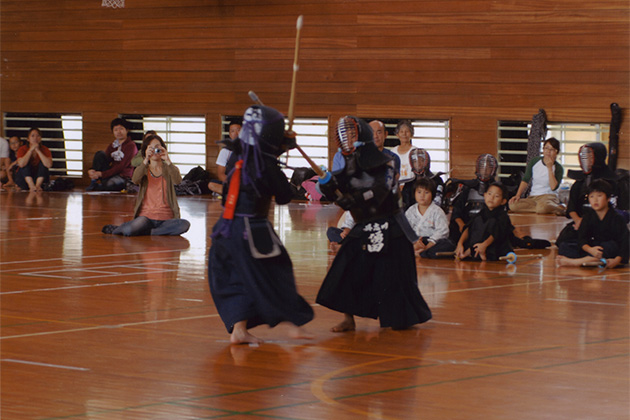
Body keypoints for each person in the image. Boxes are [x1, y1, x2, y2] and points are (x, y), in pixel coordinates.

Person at [207, 105, 314, 344]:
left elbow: (228, 194)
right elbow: (285, 196)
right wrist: (282, 151)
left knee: (237, 276)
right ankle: (293, 324)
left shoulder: (237, 155)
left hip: (224, 229)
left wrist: (277, 150)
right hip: (253, 231)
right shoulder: (267, 164)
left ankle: (239, 330)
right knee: (277, 272)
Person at [317, 116, 432, 332]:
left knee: (391, 276)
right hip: (363, 225)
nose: (349, 140)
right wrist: (326, 184)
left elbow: (380, 191)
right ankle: (348, 319)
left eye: (353, 135)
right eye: (345, 136)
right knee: (345, 269)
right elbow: (337, 189)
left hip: (389, 227)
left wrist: (355, 199)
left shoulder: (386, 163)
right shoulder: (348, 165)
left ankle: (399, 317)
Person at [101, 134, 190, 236]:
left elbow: (178, 181)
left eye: (158, 147)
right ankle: (118, 229)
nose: (155, 150)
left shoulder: (169, 168)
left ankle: (150, 232)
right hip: (145, 218)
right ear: (145, 150)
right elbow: (135, 179)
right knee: (128, 231)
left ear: (163, 149)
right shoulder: (143, 168)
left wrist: (168, 160)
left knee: (184, 225)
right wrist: (145, 160)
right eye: (151, 148)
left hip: (167, 218)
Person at [556, 142, 618, 250]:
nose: (587, 160)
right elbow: (572, 208)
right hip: (582, 222)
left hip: (605, 224)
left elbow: (615, 209)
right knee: (564, 242)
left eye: (590, 156)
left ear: (598, 157)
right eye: (585, 157)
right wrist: (579, 221)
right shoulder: (579, 183)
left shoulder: (611, 182)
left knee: (610, 246)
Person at [556, 179, 628, 268]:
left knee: (611, 246)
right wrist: (590, 249)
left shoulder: (617, 218)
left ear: (608, 198)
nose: (595, 200)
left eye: (599, 196)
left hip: (608, 249)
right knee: (564, 246)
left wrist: (617, 260)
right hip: (593, 248)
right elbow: (582, 238)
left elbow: (625, 241)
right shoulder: (588, 216)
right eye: (592, 196)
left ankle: (577, 262)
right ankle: (596, 261)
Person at [455, 182, 514, 261]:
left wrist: (484, 245)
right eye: (489, 194)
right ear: (484, 195)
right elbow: (468, 228)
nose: (491, 198)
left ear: (503, 201)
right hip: (478, 245)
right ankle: (473, 250)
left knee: (492, 222)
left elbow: (497, 233)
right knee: (477, 221)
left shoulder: (503, 216)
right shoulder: (481, 213)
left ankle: (476, 251)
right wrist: (460, 243)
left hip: (495, 247)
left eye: (496, 196)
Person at [508, 137, 565, 215]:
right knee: (513, 205)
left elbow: (553, 187)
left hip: (549, 197)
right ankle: (548, 209)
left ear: (556, 152)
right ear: (543, 149)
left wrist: (550, 168)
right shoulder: (535, 161)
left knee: (542, 207)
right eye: (546, 148)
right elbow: (525, 179)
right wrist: (517, 195)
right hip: (533, 197)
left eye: (552, 149)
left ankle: (557, 208)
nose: (548, 152)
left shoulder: (558, 168)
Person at [405, 177, 454, 258]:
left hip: (431, 242)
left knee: (447, 245)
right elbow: (406, 230)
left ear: (433, 195)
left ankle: (421, 252)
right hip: (415, 241)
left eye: (426, 192)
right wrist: (415, 242)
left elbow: (443, 231)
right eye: (419, 192)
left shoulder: (437, 211)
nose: (422, 195)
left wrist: (428, 245)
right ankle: (419, 251)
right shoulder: (410, 211)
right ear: (414, 194)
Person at [86, 117, 138, 191]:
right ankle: (94, 181)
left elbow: (121, 167)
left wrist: (102, 174)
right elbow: (105, 159)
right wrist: (92, 170)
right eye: (115, 130)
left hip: (123, 176)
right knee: (100, 154)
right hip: (111, 174)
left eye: (121, 129)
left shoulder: (131, 145)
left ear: (126, 130)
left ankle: (100, 186)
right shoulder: (113, 145)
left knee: (111, 184)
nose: (118, 132)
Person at [208, 121, 241, 195]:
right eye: (232, 131)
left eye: (238, 130)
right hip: (231, 182)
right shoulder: (225, 151)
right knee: (212, 184)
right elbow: (221, 174)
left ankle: (233, 194)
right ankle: (236, 193)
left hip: (246, 183)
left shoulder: (251, 149)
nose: (235, 133)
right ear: (230, 134)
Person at [392, 120, 417, 185]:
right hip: (395, 187)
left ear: (411, 134)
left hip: (411, 186)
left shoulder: (415, 151)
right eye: (401, 131)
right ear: (397, 134)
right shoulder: (393, 151)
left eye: (407, 131)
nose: (404, 134)